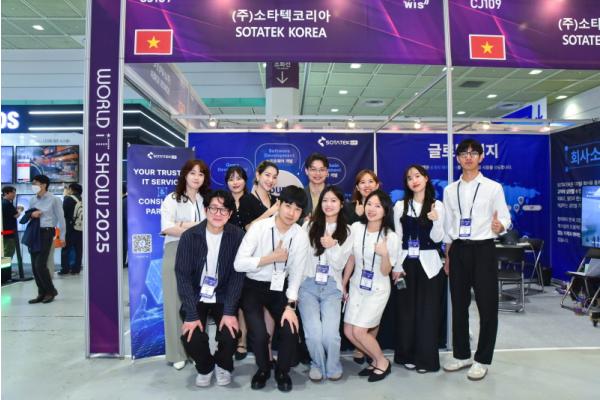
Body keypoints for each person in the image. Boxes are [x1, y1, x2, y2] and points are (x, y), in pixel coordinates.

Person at [442, 138, 511, 381]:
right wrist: (448, 256)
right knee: (459, 306)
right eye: (464, 153)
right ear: (457, 158)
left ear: (481, 157)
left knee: (487, 307)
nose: (468, 157)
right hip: (458, 250)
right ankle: (462, 355)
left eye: (473, 153)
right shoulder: (450, 190)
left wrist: (500, 225)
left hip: (484, 250)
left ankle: (482, 359)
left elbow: (505, 217)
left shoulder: (493, 187)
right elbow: (449, 225)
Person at [234, 185, 309, 392]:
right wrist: (270, 258)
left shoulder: (300, 236)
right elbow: (239, 263)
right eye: (288, 206)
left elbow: (296, 273)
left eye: (297, 209)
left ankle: (282, 371)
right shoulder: (259, 228)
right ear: (279, 204)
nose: (291, 213)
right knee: (259, 335)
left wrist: (290, 306)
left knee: (290, 328)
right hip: (253, 286)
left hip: (279, 288)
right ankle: (264, 368)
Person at [175, 190, 245, 387]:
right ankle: (205, 367)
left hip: (223, 295)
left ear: (230, 214)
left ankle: (223, 365)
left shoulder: (238, 236)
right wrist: (191, 314)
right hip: (197, 294)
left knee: (230, 333)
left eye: (224, 210)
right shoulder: (190, 236)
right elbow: (182, 276)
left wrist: (230, 312)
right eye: (213, 208)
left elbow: (237, 276)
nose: (218, 213)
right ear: (206, 210)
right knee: (191, 335)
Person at [392, 165, 445, 373]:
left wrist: (436, 221)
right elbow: (397, 238)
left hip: (430, 265)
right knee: (406, 312)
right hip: (406, 263)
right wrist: (397, 265)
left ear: (426, 178)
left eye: (417, 176)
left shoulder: (437, 205)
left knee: (428, 313)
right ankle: (406, 355)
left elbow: (438, 239)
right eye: (409, 178)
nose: (414, 180)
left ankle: (426, 360)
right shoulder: (400, 206)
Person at [343, 189, 399, 382]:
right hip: (356, 286)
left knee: (359, 331)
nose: (372, 209)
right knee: (349, 331)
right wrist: (344, 283)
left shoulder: (391, 236)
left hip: (377, 289)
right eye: (369, 204)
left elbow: (385, 271)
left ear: (385, 210)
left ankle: (382, 362)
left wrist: (385, 254)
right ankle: (375, 360)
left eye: (378, 206)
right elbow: (351, 258)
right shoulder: (356, 228)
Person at [160, 159, 210, 370]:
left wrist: (183, 225)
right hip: (175, 251)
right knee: (174, 304)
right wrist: (196, 227)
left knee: (197, 305)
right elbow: (166, 228)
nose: (197, 177)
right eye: (192, 173)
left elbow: (212, 226)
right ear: (185, 175)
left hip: (200, 254)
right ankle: (177, 353)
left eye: (201, 174)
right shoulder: (172, 199)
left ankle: (196, 350)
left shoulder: (205, 200)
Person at [299, 185, 352, 382]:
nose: (329, 205)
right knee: (313, 334)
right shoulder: (308, 226)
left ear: (341, 204)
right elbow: (300, 257)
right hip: (308, 285)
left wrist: (332, 246)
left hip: (332, 287)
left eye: (333, 201)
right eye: (325, 200)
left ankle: (333, 366)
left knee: (330, 335)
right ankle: (317, 364)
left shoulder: (347, 231)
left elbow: (339, 264)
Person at [344, 169, 382, 364]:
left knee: (372, 315)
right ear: (357, 187)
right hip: (358, 269)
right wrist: (357, 216)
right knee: (357, 313)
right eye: (362, 182)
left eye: (370, 181)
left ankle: (369, 347)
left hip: (378, 270)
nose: (367, 185)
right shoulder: (349, 208)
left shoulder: (385, 205)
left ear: (377, 184)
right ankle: (360, 346)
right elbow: (349, 238)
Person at [26, 175, 66, 304]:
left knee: (40, 264)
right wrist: (32, 214)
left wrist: (62, 236)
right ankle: (41, 293)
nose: (33, 185)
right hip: (34, 232)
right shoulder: (32, 199)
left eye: (35, 183)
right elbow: (29, 214)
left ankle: (50, 291)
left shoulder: (54, 199)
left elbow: (61, 219)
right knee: (34, 265)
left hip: (46, 232)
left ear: (43, 185)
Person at [59, 183, 83, 275]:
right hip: (80, 227)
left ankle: (65, 269)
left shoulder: (68, 199)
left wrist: (65, 197)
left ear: (71, 189)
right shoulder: (82, 199)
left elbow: (63, 213)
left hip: (69, 227)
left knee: (66, 248)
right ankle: (76, 268)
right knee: (78, 249)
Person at [2, 186, 23, 278]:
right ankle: (5, 274)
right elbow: (16, 215)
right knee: (8, 253)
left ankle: (5, 271)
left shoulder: (3, 203)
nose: (14, 195)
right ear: (6, 193)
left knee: (6, 252)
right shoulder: (7, 203)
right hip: (9, 233)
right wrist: (20, 210)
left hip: (5, 232)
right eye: (13, 193)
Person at [302, 153, 329, 220]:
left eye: (322, 170)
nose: (317, 173)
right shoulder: (300, 194)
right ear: (306, 171)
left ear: (327, 172)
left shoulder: (335, 195)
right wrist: (304, 221)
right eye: (313, 169)